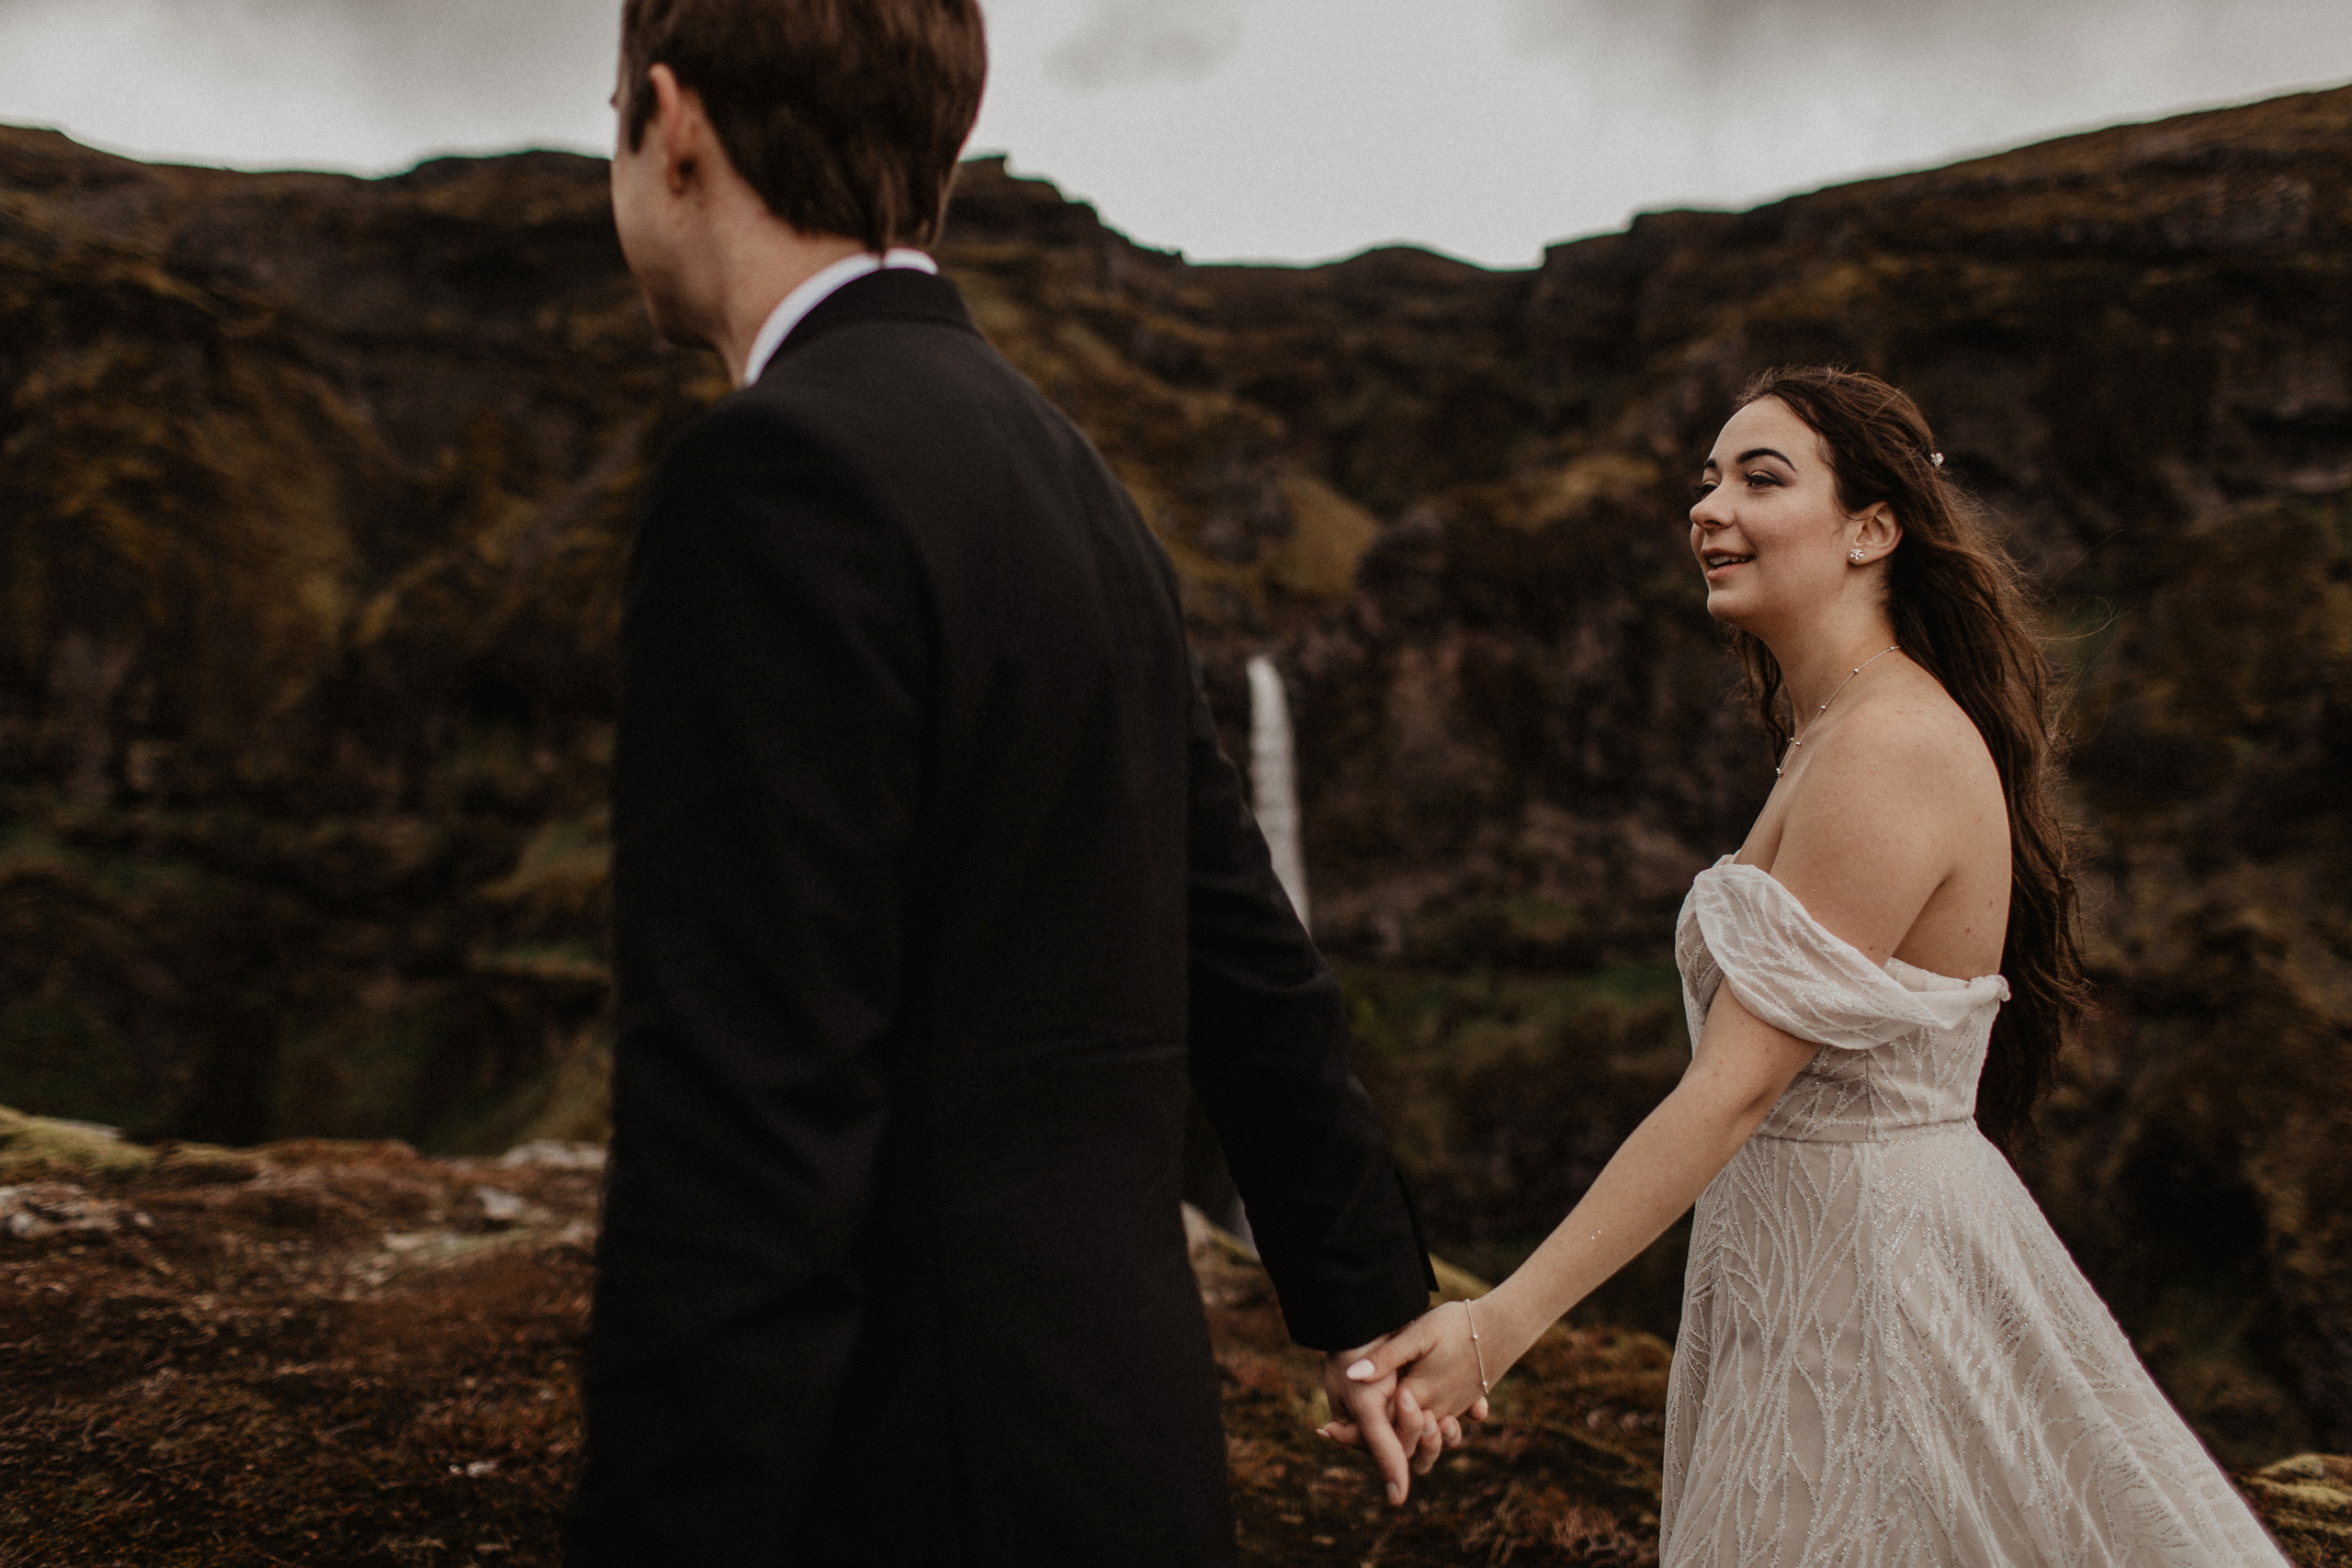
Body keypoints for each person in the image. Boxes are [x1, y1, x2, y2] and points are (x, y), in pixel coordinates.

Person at [564, 2, 1453, 1563]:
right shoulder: (1070, 473)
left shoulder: (769, 477)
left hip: (905, 1479)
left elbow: (744, 1134)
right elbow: (1241, 945)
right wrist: (1368, 1297)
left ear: (670, 117)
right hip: (1126, 1451)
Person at [1330, 367, 2294, 1564]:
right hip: (1801, 1273)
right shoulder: (1832, 733)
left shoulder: (1886, 742)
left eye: (1761, 478)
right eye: (1707, 479)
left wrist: (1499, 1325)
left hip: (1874, 1287)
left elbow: (1736, 1085)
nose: (1709, 507)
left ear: (1873, 529)